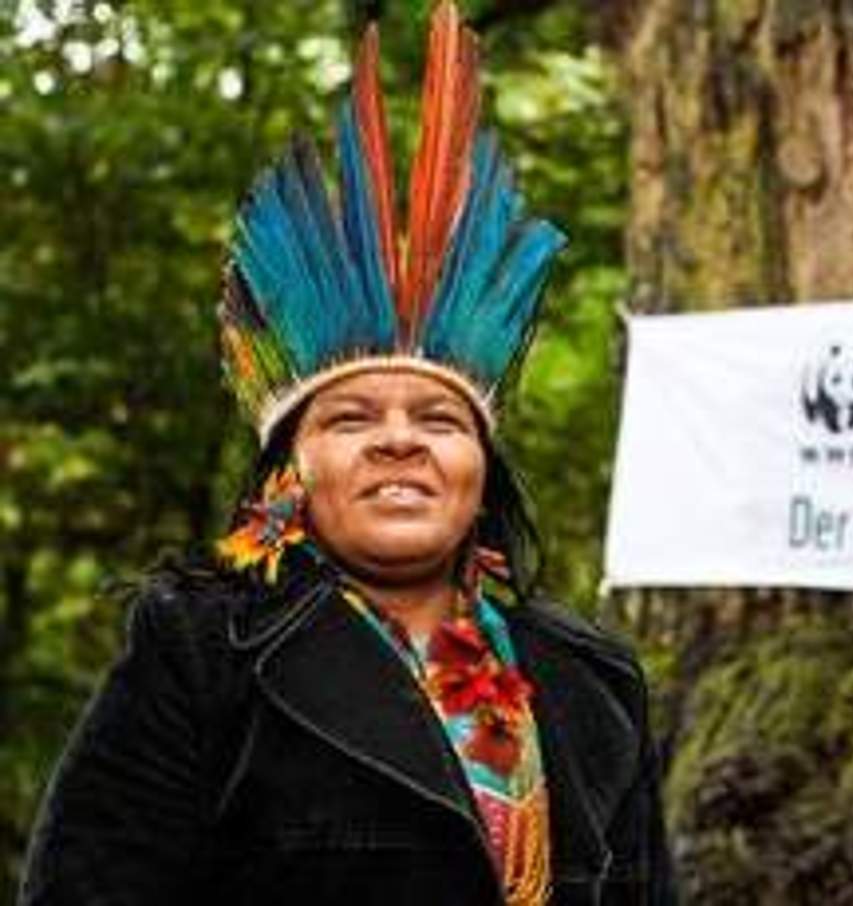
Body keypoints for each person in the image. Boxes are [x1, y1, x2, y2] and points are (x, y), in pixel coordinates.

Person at [18, 4, 676, 904]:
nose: (399, 438)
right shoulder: (202, 654)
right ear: (291, 471)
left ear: (481, 473)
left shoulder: (589, 682)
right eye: (353, 418)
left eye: (441, 422)